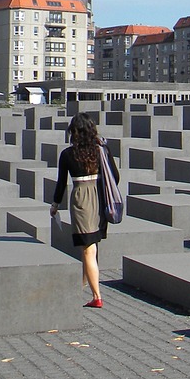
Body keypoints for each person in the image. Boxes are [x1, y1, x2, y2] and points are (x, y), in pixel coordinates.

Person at [51, 112, 117, 309]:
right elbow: (116, 176)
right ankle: (79, 286)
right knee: (91, 246)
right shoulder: (102, 150)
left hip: (81, 200)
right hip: (100, 198)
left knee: (88, 249)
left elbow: (61, 183)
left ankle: (97, 296)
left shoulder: (67, 154)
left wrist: (55, 205)